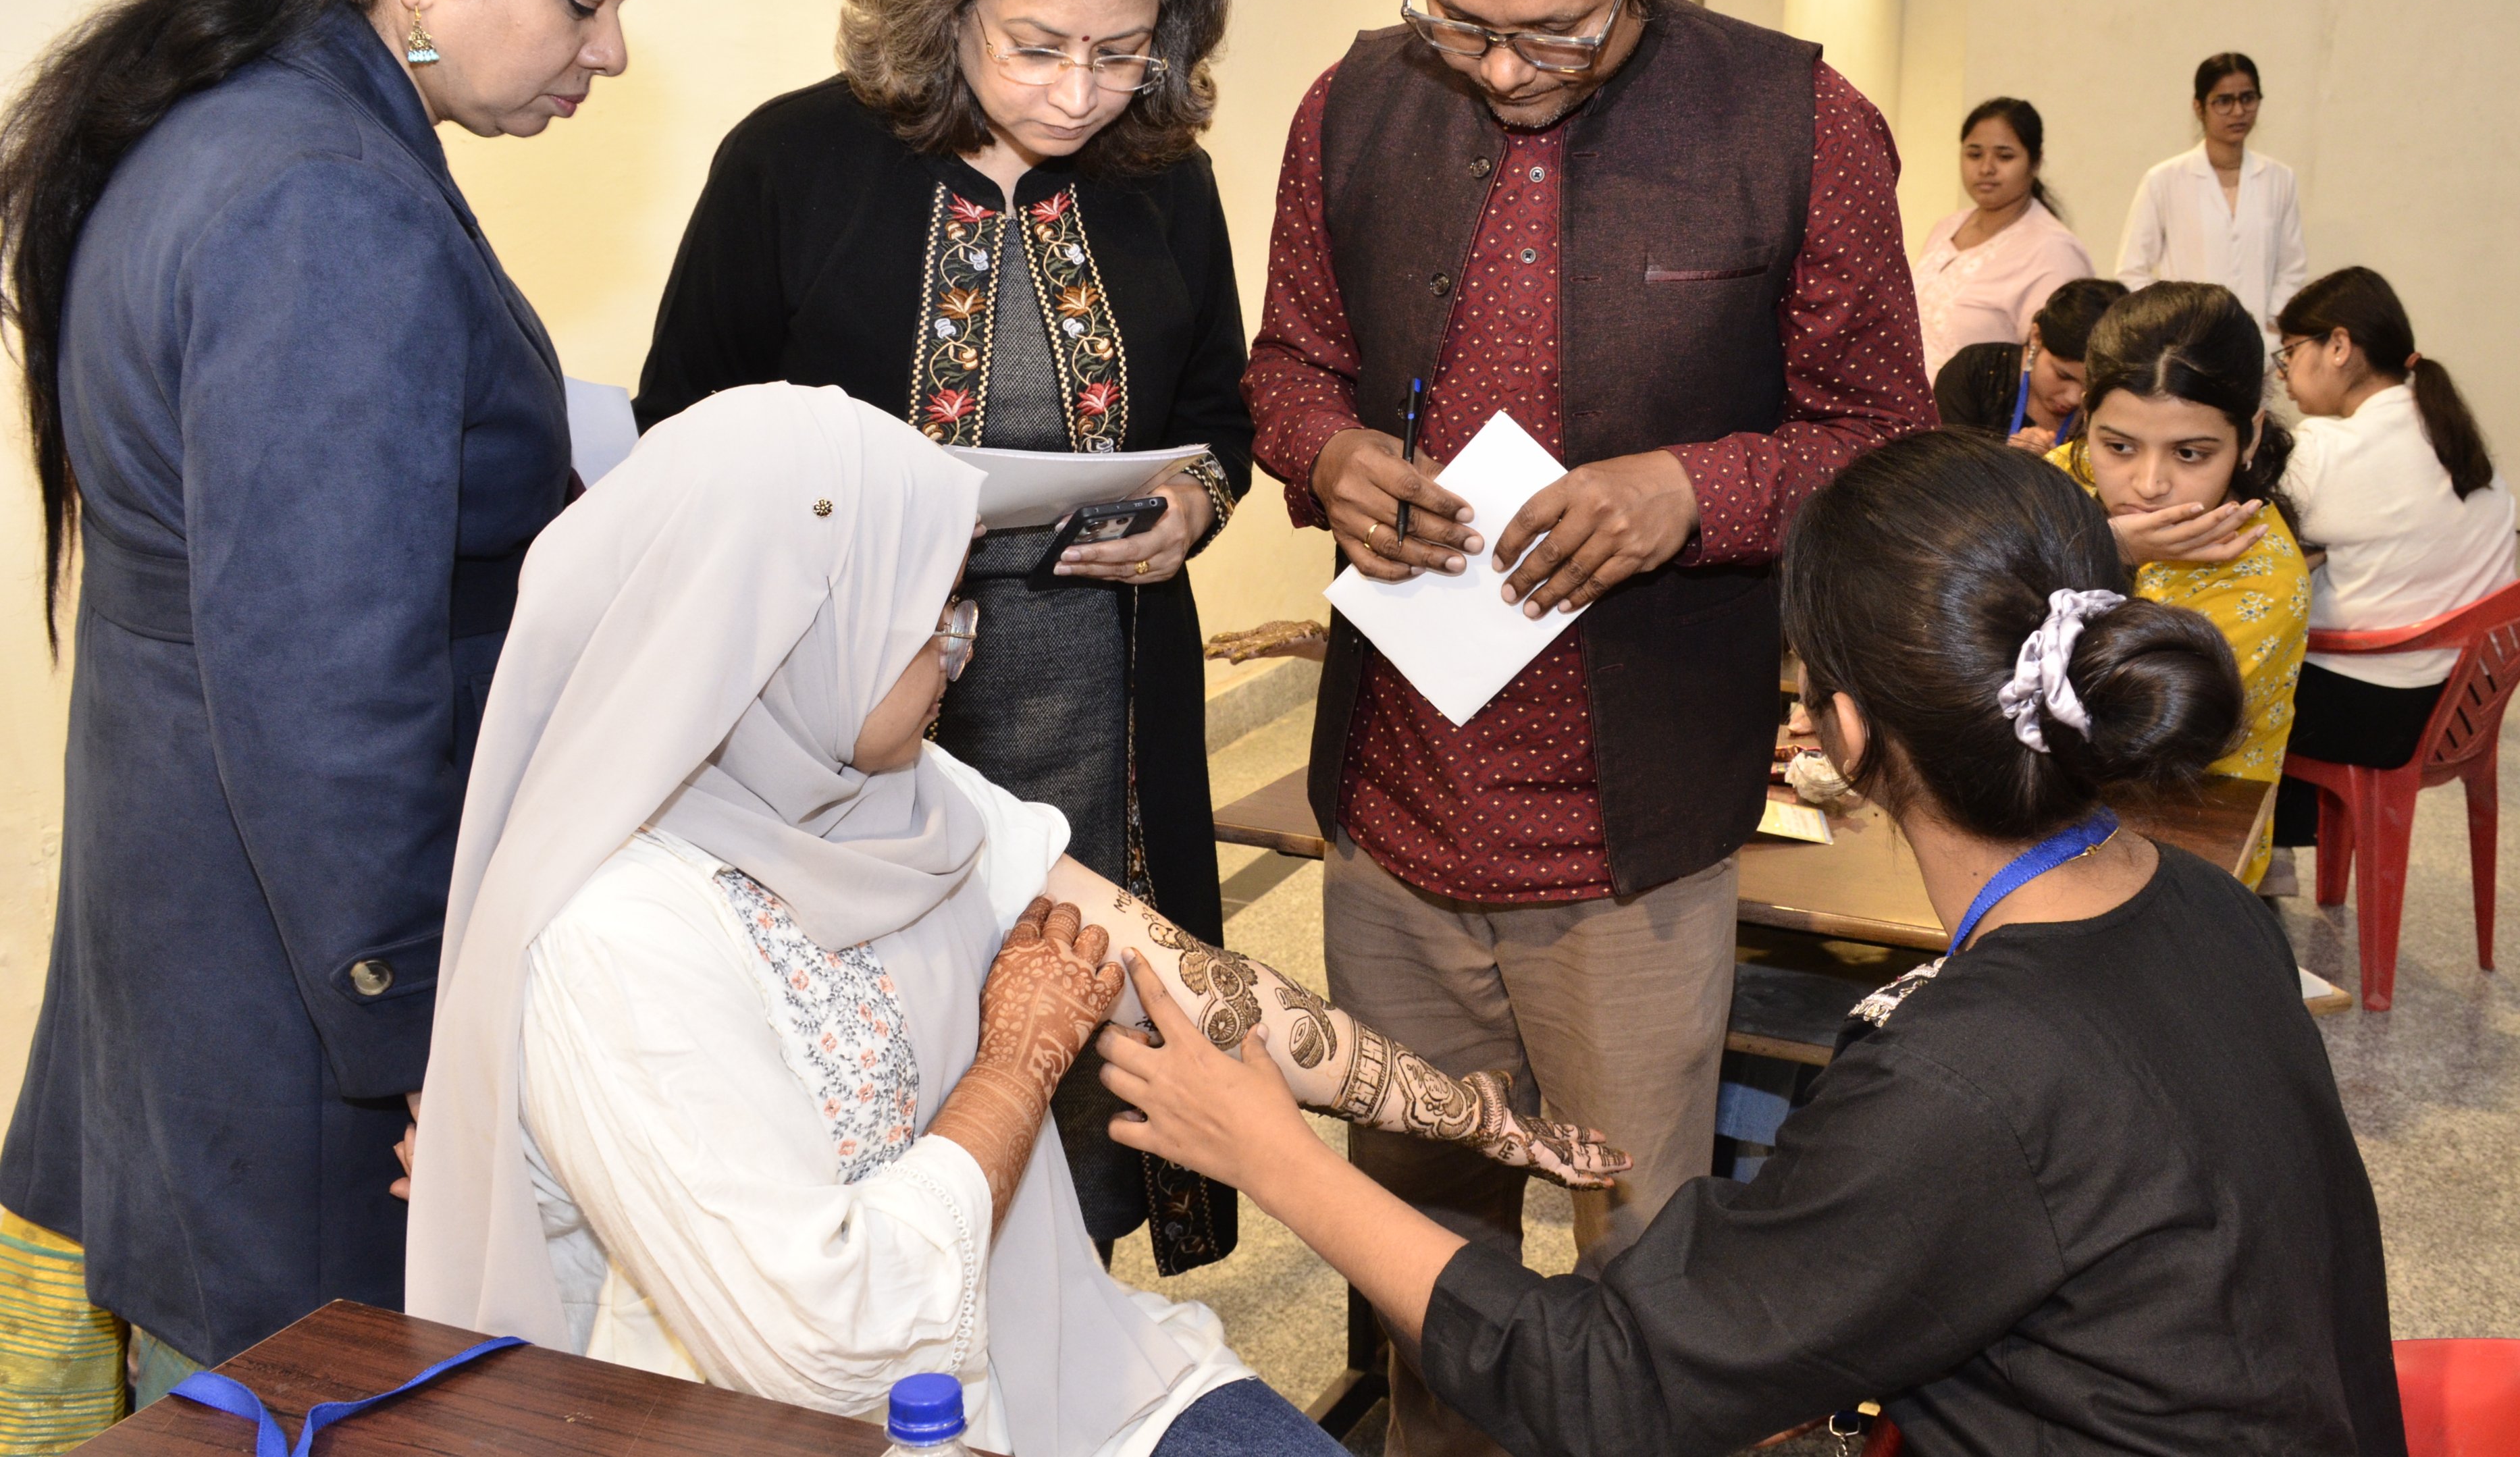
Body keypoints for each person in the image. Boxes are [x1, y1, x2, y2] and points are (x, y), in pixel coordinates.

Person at [1102, 429, 2407, 1457]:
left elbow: (1605, 1379)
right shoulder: (2210, 910)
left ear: (1841, 730)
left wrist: (1274, 1156)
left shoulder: (1967, 1079)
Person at [403, 383, 1619, 1457]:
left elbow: (1180, 979)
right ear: (797, 631)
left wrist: (1477, 1116)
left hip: (1065, 1366)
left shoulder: (901, 791)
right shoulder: (618, 932)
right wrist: (1019, 1059)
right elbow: (834, 1344)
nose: (958, 653)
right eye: (930, 616)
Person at [1240, 0, 1932, 1457]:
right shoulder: (1350, 107)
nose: (1499, 68)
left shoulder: (1795, 122)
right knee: (1426, 1261)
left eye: (1556, 30)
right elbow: (1288, 364)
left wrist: (1694, 489)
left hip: (1632, 841)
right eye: (1456, 19)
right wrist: (1327, 454)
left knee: (1645, 1273)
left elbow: (1883, 440)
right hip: (1393, 812)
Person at [0, 0, 652, 1421]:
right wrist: (425, 1033)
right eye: (582, 1)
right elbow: (329, 688)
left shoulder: (244, 122)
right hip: (300, 970)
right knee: (315, 1391)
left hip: (207, 897)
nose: (609, 50)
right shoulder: (326, 206)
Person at [631, 0, 1251, 1263]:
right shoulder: (793, 162)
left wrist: (1190, 505)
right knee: (885, 1098)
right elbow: (682, 432)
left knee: (1087, 1040)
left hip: (1100, 714)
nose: (1080, 90)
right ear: (944, 3)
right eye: (1037, 46)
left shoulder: (1161, 176)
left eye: (1122, 52)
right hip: (851, 742)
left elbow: (1216, 411)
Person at [2048, 282, 2309, 890]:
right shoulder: (2063, 478)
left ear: (2249, 437)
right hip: (2044, 812)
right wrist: (2111, 546)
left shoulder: (2266, 580)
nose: (2148, 484)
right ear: (2087, 418)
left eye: (2190, 454)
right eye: (2118, 445)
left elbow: (2107, 730)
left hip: (2182, 855)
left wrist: (2105, 552)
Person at [2271, 268, 2517, 853]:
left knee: (2223, 674)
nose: (2283, 374)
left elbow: (2254, 544)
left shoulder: (2326, 448)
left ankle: (2250, 852)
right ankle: (2277, 849)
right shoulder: (2456, 437)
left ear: (2338, 345)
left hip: (2374, 714)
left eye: (2289, 352)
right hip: (2460, 706)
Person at [2114, 52, 2307, 334]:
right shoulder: (2164, 180)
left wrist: (2271, 319)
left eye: (2248, 98)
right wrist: (2172, 322)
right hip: (2188, 341)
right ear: (2199, 107)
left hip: (2261, 342)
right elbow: (2132, 271)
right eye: (2224, 101)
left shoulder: (2279, 179)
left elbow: (2292, 268)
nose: (2238, 111)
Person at [1909, 97, 2091, 380]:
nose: (1986, 168)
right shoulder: (1947, 228)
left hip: (1979, 407)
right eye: (1974, 154)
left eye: (2005, 157)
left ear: (2035, 162)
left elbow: (2052, 366)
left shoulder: (2053, 250)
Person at [1934, 276, 2128, 453]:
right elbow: (1944, 467)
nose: (2074, 398)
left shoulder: (2118, 403)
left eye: (2091, 387)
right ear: (2037, 337)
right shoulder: (1975, 372)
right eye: (2063, 375)